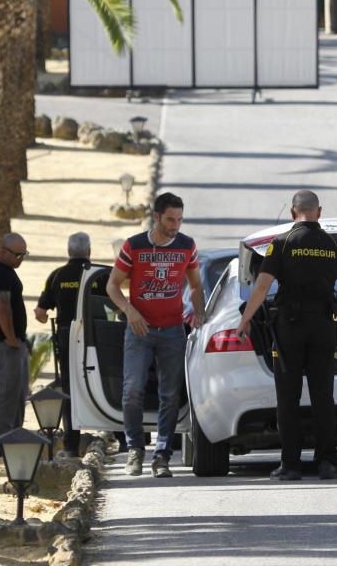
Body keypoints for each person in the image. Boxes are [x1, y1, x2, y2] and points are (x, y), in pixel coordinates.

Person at [237, 190, 337, 481]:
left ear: (294, 213)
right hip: (323, 327)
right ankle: (328, 462)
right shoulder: (333, 245)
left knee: (288, 397)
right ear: (319, 212)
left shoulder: (280, 244)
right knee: (323, 396)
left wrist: (245, 321)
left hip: (290, 328)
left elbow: (262, 287)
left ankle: (290, 465)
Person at [107, 192, 205, 478]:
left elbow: (196, 285)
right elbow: (113, 285)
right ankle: (135, 449)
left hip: (173, 330)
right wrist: (129, 310)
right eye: (170, 219)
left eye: (179, 220)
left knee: (170, 395)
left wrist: (198, 313)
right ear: (157, 217)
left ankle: (162, 456)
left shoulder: (187, 246)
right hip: (139, 330)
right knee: (132, 391)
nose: (175, 225)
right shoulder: (134, 246)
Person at [34, 232, 110, 457]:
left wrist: (47, 317)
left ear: (69, 251)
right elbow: (116, 303)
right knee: (105, 381)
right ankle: (121, 437)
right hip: (96, 338)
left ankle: (70, 444)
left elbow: (40, 313)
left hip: (67, 339)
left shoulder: (57, 276)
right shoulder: (99, 275)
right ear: (89, 251)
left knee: (69, 389)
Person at [0, 233, 30, 460]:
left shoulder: (8, 273)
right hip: (5, 346)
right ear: (4, 251)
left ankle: (13, 439)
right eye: (18, 254)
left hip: (15, 344)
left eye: (24, 254)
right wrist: (11, 338)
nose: (21, 258)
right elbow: (2, 308)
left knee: (18, 393)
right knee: (5, 394)